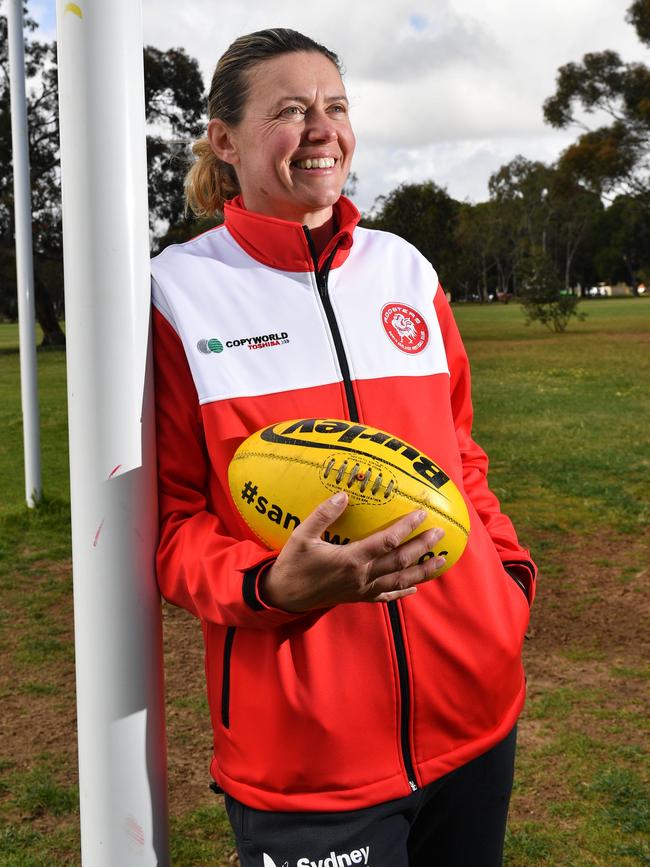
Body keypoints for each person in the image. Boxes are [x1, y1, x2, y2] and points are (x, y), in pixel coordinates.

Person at [151, 28, 537, 867]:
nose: (322, 127)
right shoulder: (177, 295)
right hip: (310, 757)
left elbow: (461, 457)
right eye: (291, 110)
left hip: (475, 711)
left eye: (335, 106)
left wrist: (504, 585)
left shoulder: (404, 271)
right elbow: (172, 524)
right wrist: (269, 585)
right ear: (225, 140)